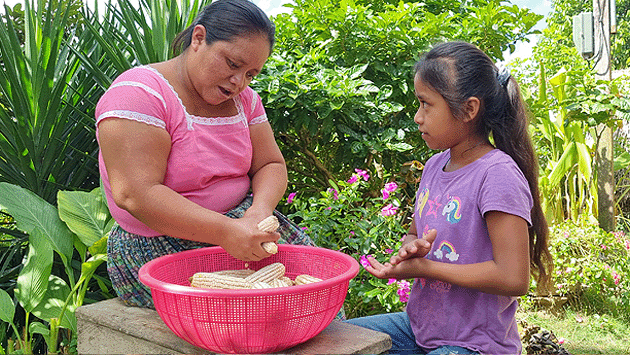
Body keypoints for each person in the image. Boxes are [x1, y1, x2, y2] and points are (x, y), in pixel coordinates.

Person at [95, 0, 314, 309]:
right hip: (161, 245)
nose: (239, 83)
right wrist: (224, 232)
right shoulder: (138, 95)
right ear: (198, 38)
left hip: (242, 227)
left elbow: (270, 163)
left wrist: (259, 211)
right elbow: (135, 195)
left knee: (307, 304)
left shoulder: (246, 101)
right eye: (232, 64)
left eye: (251, 74)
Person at [345, 41, 553, 354]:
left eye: (425, 104)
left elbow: (513, 278)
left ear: (469, 109)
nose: (418, 116)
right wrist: (410, 250)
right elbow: (414, 234)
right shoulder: (433, 166)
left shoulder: (497, 174)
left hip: (475, 345)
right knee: (337, 341)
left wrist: (426, 269)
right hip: (420, 330)